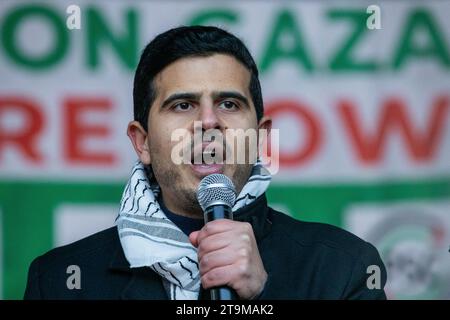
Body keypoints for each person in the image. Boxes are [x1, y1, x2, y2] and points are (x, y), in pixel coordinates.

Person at [24, 26, 386, 300]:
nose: (208, 122)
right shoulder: (60, 280)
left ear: (260, 138)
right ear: (143, 142)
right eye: (183, 105)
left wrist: (265, 296)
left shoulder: (344, 268)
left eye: (229, 104)